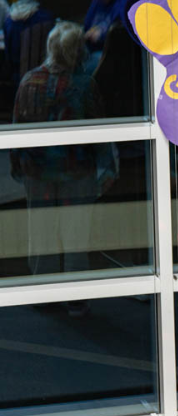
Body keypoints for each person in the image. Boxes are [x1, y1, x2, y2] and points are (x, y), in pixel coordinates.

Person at [11, 21, 114, 309]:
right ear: (76, 51)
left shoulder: (29, 81)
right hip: (76, 173)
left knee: (41, 233)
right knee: (76, 237)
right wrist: (106, 168)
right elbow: (101, 131)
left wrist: (17, 164)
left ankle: (44, 296)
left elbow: (17, 128)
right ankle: (75, 301)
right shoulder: (85, 85)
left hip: (37, 172)